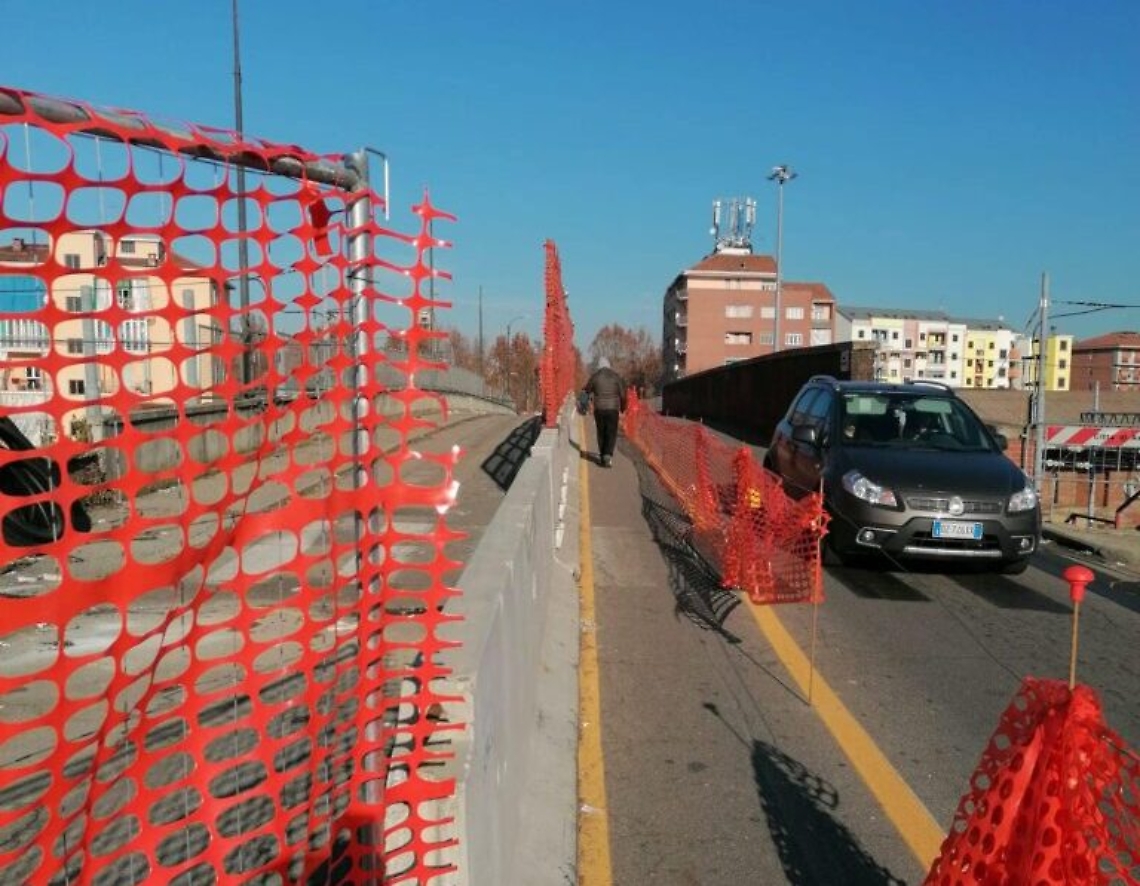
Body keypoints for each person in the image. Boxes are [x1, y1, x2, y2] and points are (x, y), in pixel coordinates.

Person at [583, 357, 627, 468]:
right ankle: (608, 455)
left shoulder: (596, 376)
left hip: (599, 409)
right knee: (611, 432)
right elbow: (623, 394)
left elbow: (587, 390)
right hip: (613, 409)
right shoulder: (616, 377)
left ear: (599, 366)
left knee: (601, 432)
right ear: (608, 365)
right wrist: (623, 408)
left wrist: (586, 402)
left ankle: (602, 455)